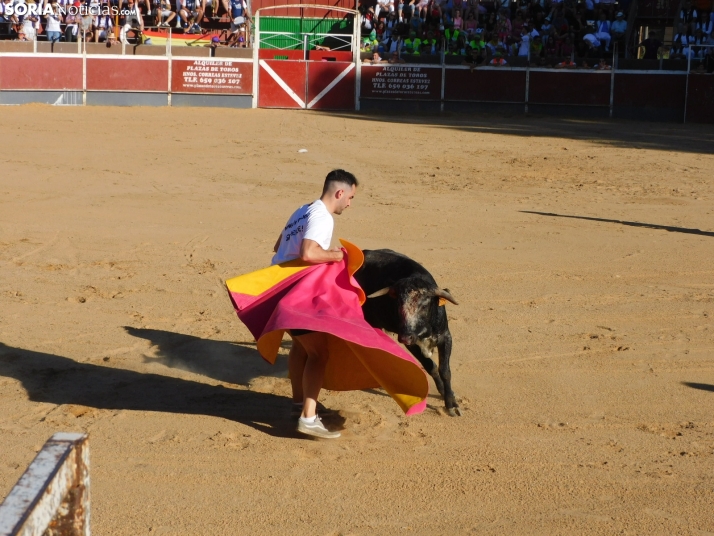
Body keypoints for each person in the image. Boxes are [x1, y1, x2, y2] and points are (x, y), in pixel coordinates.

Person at [271, 170, 358, 440]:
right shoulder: (322, 216)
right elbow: (308, 253)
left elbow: (278, 246)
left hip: (279, 290)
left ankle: (300, 402)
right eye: (351, 197)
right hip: (295, 295)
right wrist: (336, 256)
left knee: (301, 346)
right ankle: (308, 418)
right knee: (319, 354)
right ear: (339, 193)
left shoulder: (303, 210)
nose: (350, 204)